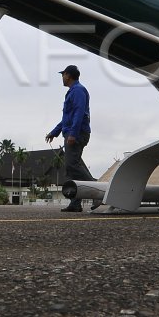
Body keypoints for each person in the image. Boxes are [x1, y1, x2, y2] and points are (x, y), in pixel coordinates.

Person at [46, 64, 93, 213]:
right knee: (72, 169)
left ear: (68, 75)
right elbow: (68, 118)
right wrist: (55, 132)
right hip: (73, 132)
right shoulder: (73, 92)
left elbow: (79, 113)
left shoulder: (78, 91)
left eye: (63, 75)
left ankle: (99, 192)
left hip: (77, 133)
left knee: (73, 166)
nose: (62, 77)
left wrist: (73, 133)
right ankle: (75, 203)